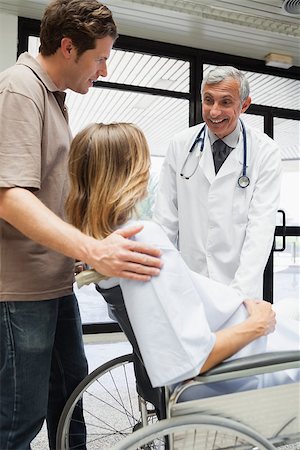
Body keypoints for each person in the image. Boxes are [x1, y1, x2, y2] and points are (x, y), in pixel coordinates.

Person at [0, 2, 162, 449]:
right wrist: (94, 251)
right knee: (19, 419)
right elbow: (10, 197)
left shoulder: (53, 98)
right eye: (101, 58)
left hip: (53, 282)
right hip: (22, 291)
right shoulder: (19, 90)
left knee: (70, 398)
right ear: (69, 48)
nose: (104, 70)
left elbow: (47, 195)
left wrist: (78, 250)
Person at [67, 122, 299, 396]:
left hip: (228, 331)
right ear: (131, 170)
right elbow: (193, 357)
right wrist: (256, 325)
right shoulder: (142, 240)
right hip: (240, 364)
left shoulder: (103, 243)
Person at [153, 66, 282, 299]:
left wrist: (240, 293)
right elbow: (165, 219)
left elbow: (261, 228)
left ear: (244, 105)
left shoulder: (265, 151)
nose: (214, 111)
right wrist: (163, 277)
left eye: (225, 102)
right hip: (189, 279)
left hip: (239, 282)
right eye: (208, 100)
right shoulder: (181, 144)